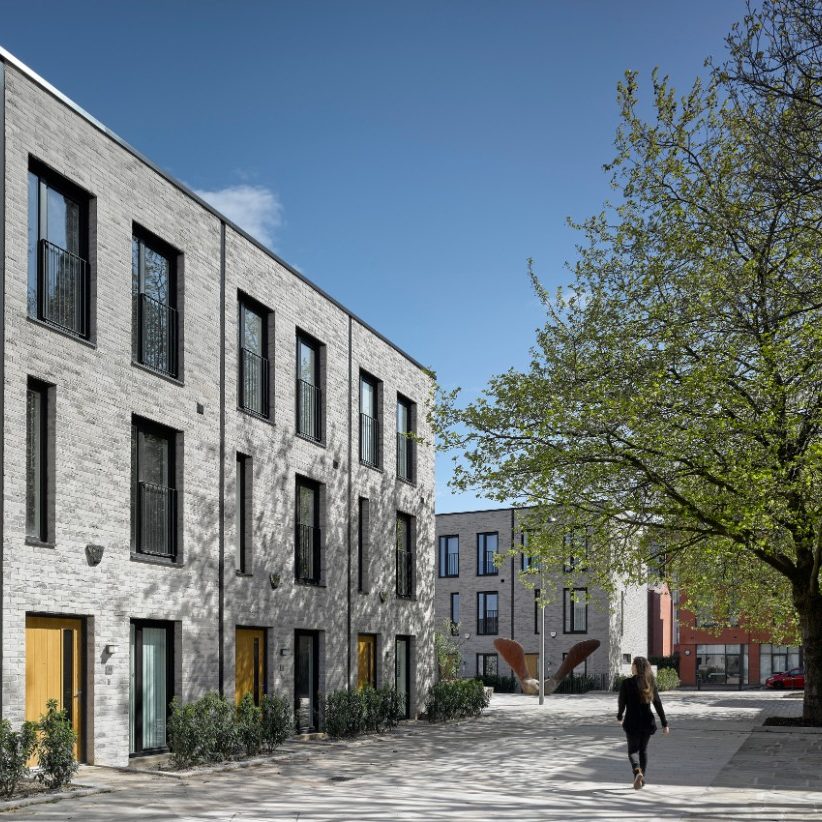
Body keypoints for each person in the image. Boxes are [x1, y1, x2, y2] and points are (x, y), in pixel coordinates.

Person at [616, 656, 670, 789]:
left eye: (633, 664)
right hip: (647, 722)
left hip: (632, 722)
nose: (631, 667)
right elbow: (657, 703)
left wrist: (619, 716)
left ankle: (637, 772)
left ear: (637, 667)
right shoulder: (649, 682)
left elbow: (622, 703)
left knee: (632, 751)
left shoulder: (626, 683)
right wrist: (665, 723)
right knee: (643, 751)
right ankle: (642, 778)